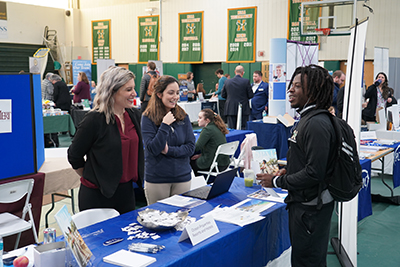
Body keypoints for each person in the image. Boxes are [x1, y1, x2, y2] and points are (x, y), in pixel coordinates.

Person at [256, 64, 336, 267]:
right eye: (292, 85)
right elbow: (308, 162)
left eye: (298, 86)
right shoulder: (309, 119)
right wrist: (288, 171)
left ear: (314, 90)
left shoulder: (316, 123)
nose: (290, 89)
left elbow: (314, 172)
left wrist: (276, 180)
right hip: (307, 204)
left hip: (311, 208)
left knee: (307, 262)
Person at [67, 66, 144, 214]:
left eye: (133, 89)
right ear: (112, 91)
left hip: (126, 193)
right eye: (128, 90)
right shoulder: (94, 119)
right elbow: (74, 155)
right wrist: (94, 177)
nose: (134, 94)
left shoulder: (134, 115)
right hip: (97, 195)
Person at [141, 75, 195, 205]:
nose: (175, 97)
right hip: (158, 179)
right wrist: (164, 125)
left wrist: (169, 150)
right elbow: (153, 149)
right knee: (158, 218)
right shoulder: (148, 118)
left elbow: (191, 147)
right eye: (171, 93)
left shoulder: (183, 116)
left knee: (180, 219)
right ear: (159, 94)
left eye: (177, 92)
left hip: (182, 178)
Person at [190, 109, 230, 177]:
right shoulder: (218, 127)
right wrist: (201, 154)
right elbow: (214, 147)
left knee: (189, 162)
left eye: (200, 118)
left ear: (207, 120)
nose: (197, 120)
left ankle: (197, 184)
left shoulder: (207, 130)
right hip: (224, 163)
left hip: (213, 164)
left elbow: (196, 147)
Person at [221, 65, 254, 129]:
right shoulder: (246, 81)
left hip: (230, 108)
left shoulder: (227, 81)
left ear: (234, 72)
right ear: (243, 73)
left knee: (231, 128)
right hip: (243, 108)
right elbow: (251, 95)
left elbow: (223, 95)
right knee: (243, 128)